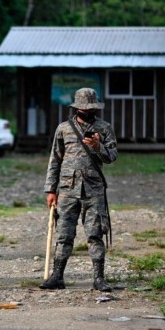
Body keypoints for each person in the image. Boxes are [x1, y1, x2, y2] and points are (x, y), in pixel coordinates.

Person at [41, 87, 118, 292]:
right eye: (85, 108)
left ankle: (99, 278)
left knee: (95, 233)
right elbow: (54, 160)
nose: (89, 111)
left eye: (92, 108)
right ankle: (57, 276)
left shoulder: (104, 128)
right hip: (67, 189)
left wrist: (97, 146)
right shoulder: (63, 129)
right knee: (64, 234)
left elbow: (111, 157)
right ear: (76, 108)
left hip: (94, 190)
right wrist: (50, 190)